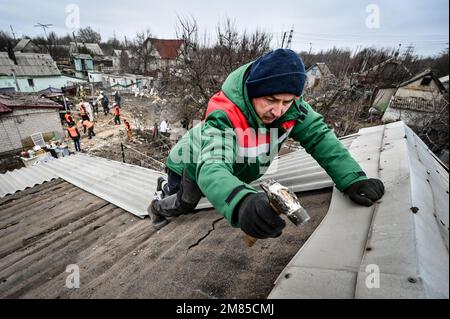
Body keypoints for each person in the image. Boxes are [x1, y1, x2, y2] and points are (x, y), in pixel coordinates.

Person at [148, 49, 385, 237]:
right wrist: (240, 202)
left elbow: (319, 137)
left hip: (223, 165)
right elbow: (212, 165)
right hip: (191, 160)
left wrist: (352, 178)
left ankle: (167, 190)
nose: (279, 110)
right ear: (253, 92)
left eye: (287, 101)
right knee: (185, 203)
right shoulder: (226, 114)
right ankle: (158, 203)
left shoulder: (293, 110)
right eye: (271, 100)